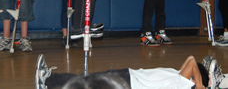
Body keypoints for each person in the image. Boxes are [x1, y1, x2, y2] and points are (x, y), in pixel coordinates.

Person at [35, 54, 222, 89]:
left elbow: (191, 61)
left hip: (128, 81)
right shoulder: (179, 76)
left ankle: (48, 80)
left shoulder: (184, 85)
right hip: (128, 78)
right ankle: (49, 81)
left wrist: (198, 85)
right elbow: (189, 62)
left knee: (87, 82)